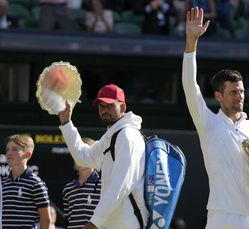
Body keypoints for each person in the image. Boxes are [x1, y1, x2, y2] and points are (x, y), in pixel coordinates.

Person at [182, 7, 249, 228]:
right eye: (233, 92)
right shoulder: (208, 123)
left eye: (242, 91)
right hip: (223, 216)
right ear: (218, 96)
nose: (240, 97)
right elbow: (190, 86)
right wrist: (191, 43)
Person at [58, 84, 149, 228]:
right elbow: (83, 157)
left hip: (128, 223)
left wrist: (95, 221)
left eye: (110, 106)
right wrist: (66, 123)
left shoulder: (127, 136)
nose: (105, 110)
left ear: (123, 107)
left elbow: (121, 185)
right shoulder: (112, 135)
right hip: (114, 223)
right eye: (101, 106)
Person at [1, 134, 52, 228]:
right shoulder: (2, 183)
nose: (9, 153)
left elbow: (46, 219)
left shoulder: (36, 183)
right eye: (7, 149)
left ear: (27, 154)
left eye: (14, 149)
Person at [62, 137, 101, 229]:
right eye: (77, 153)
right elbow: (68, 220)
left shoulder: (104, 184)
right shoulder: (68, 189)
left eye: (85, 153)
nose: (81, 157)